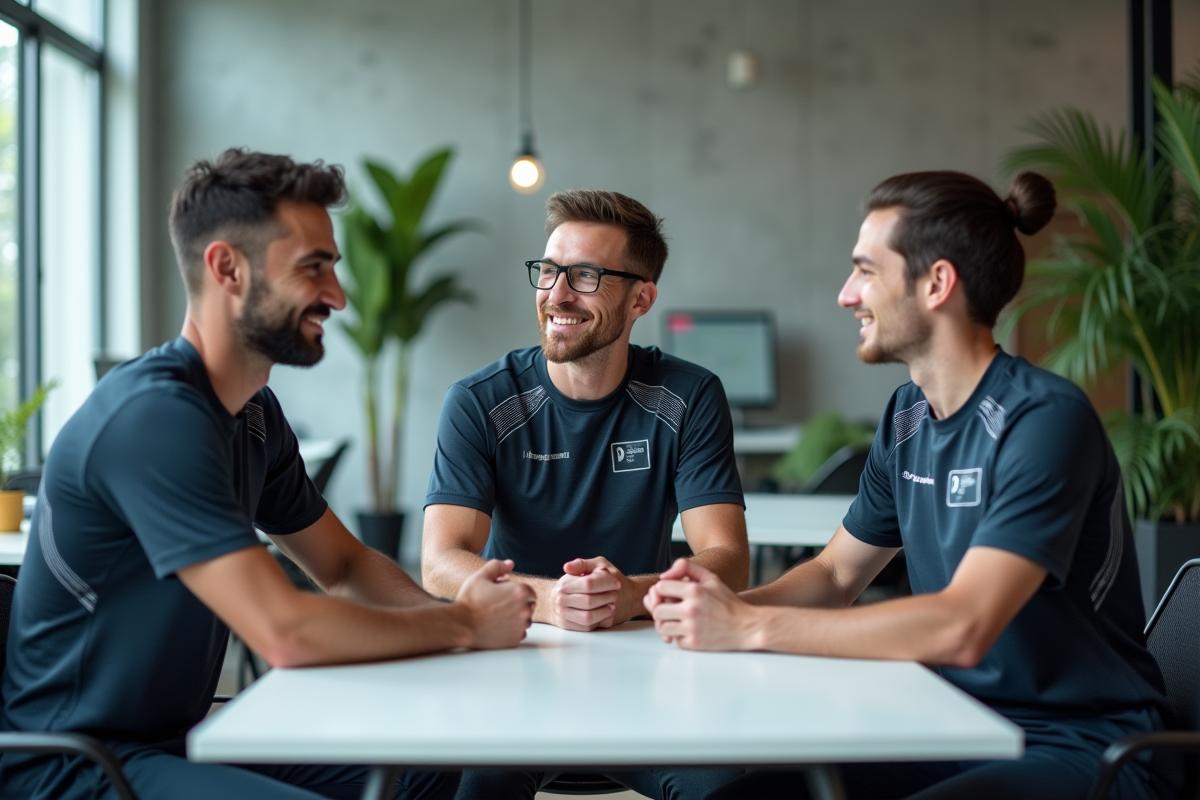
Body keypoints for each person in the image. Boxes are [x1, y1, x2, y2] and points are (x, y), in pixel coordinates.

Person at [0, 149, 535, 800]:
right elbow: (285, 632)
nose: (337, 296)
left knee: (474, 764)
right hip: (78, 768)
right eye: (314, 269)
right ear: (226, 267)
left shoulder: (253, 414)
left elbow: (342, 566)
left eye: (333, 268)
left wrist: (462, 623)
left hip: (182, 740)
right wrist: (463, 626)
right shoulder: (152, 419)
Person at [646, 170, 1182, 800]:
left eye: (866, 271)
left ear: (937, 284)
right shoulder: (907, 416)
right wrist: (719, 608)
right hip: (950, 724)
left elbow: (962, 626)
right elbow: (838, 576)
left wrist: (748, 630)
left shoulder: (1042, 421)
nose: (847, 295)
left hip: (1083, 745)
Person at [421, 190, 750, 800]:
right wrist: (548, 601)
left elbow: (727, 559)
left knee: (733, 788)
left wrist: (627, 594)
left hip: (646, 679)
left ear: (641, 298)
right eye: (548, 271)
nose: (557, 293)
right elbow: (441, 563)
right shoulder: (480, 401)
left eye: (586, 276)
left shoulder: (690, 397)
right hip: (511, 673)